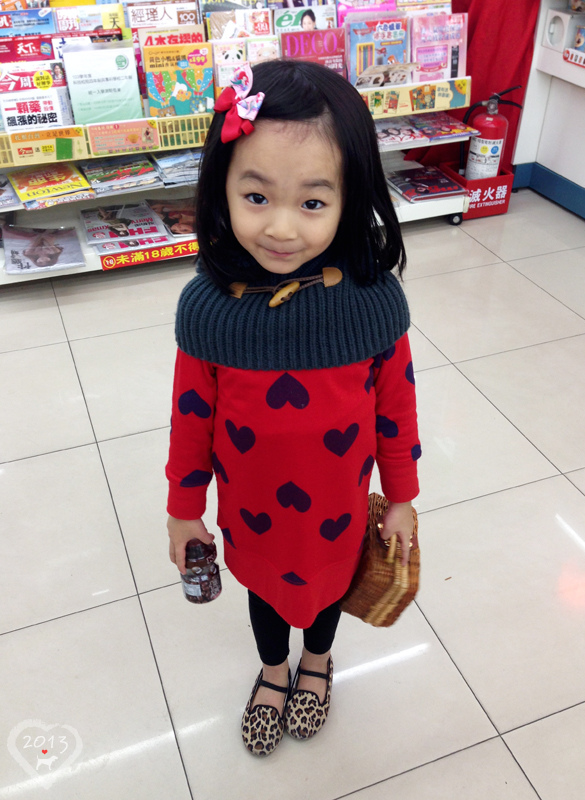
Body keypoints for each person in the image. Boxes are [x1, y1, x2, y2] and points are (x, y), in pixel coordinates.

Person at [166, 60, 420, 757]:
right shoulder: (211, 308)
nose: (280, 229)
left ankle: (317, 663)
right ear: (221, 187)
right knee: (264, 589)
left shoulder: (372, 304)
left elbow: (397, 409)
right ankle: (274, 670)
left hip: (339, 503)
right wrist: (183, 509)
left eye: (312, 203)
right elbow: (190, 418)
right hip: (252, 506)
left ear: (352, 197)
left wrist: (402, 497)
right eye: (256, 196)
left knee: (330, 588)